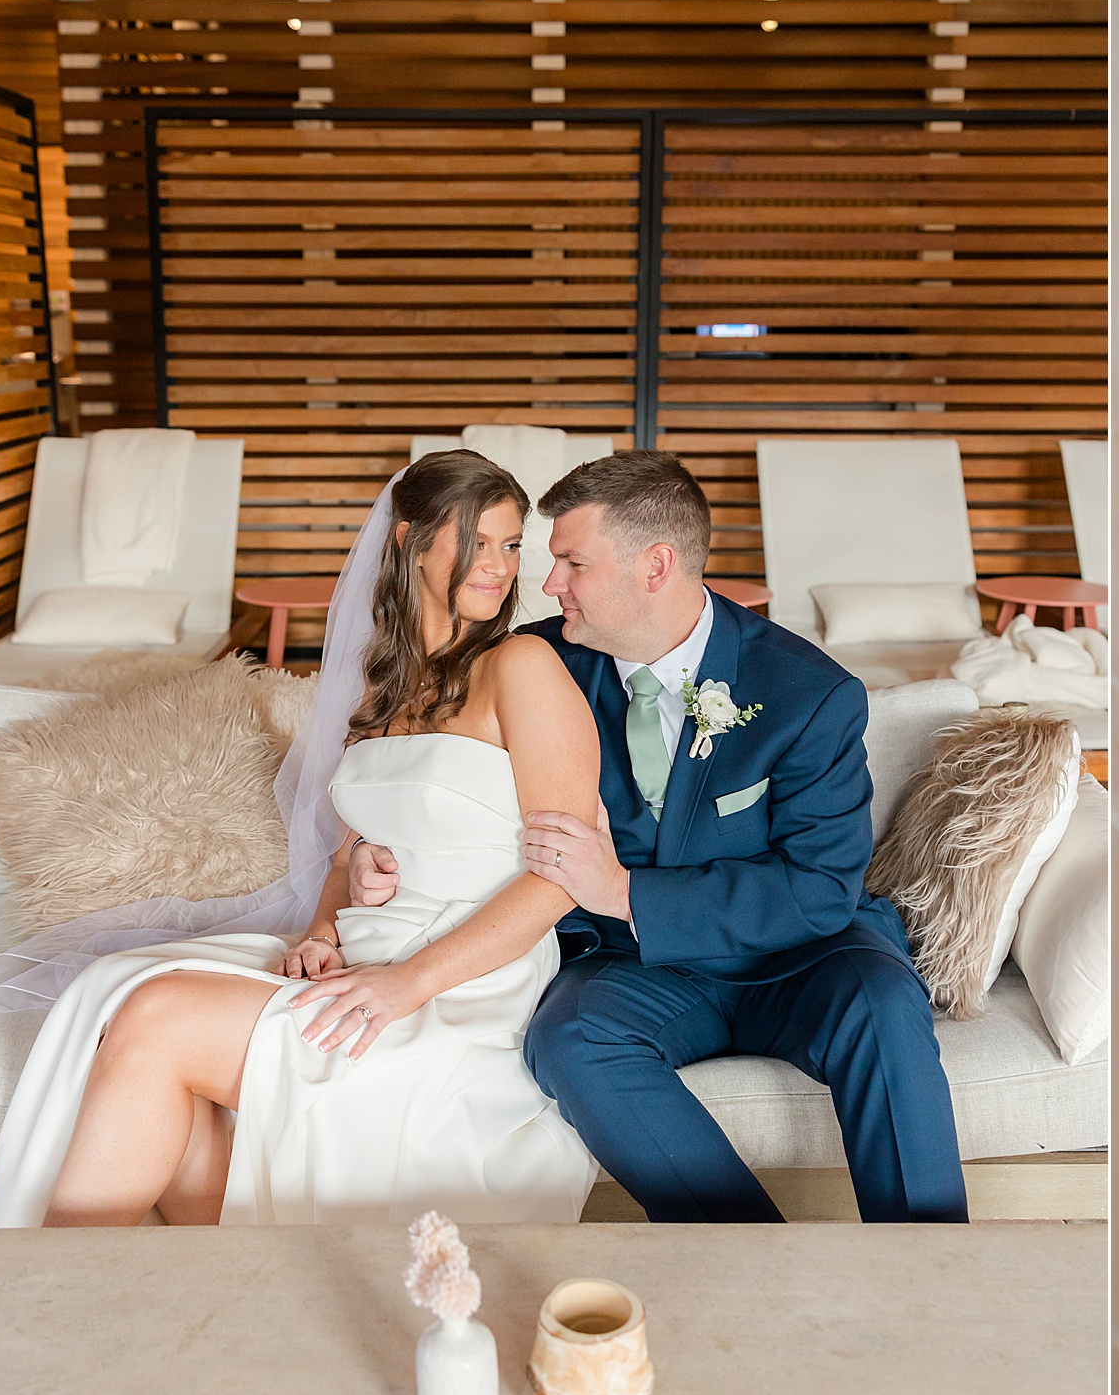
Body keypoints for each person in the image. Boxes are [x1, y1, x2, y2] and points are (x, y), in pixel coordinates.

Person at [350, 450, 967, 1224]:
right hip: (630, 963)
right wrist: (390, 852)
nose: (546, 584)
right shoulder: (538, 663)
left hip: (801, 958)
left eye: (571, 562)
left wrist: (621, 889)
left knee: (881, 1003)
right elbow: (438, 771)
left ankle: (933, 1260)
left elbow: (819, 889)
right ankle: (752, 1258)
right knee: (568, 1039)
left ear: (655, 566)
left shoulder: (808, 692)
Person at [0, 450, 601, 1227]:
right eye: (476, 540)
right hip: (368, 952)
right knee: (111, 996)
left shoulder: (521, 665)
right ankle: (219, 1280)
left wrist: (406, 984)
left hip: (461, 985)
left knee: (158, 1014)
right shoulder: (383, 685)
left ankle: (41, 1294)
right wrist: (320, 930)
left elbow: (561, 877)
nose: (499, 566)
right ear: (410, 541)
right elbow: (350, 853)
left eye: (512, 545)